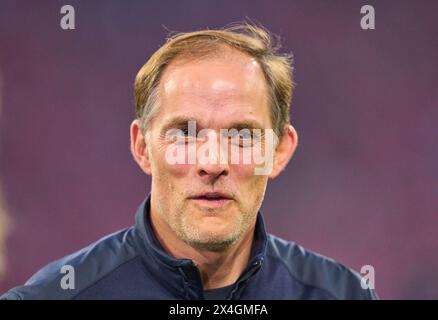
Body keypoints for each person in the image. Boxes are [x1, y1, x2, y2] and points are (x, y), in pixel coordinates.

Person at [1, 23, 378, 300]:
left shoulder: (344, 295)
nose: (213, 163)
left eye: (241, 135)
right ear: (143, 147)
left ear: (279, 151)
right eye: (184, 133)